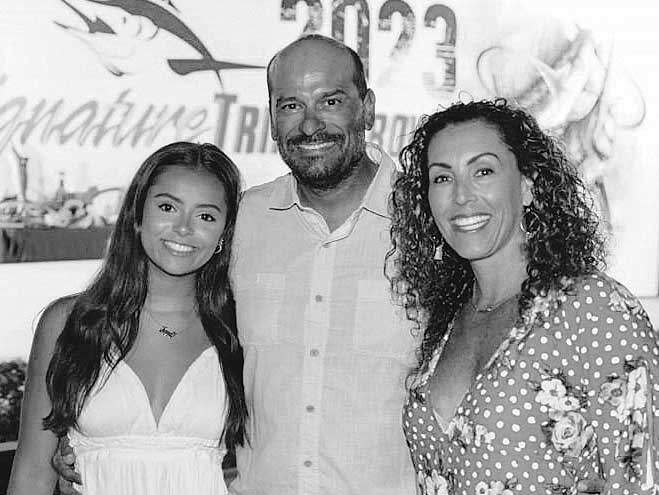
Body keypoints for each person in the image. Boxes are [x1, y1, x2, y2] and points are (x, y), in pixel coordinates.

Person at [53, 34, 418, 495]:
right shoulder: (244, 221)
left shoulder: (429, 224)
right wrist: (90, 441)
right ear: (270, 119)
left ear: (366, 108)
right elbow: (167, 319)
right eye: (290, 105)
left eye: (330, 100)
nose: (309, 125)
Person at [388, 98, 659, 494]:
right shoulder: (449, 321)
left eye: (483, 171)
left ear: (528, 186)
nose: (461, 196)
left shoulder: (593, 308)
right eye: (442, 178)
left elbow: (643, 477)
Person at [8, 141, 247, 495]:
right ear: (138, 214)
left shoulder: (241, 329)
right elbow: (30, 477)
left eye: (206, 216)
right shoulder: (67, 322)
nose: (183, 228)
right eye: (168, 206)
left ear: (224, 235)